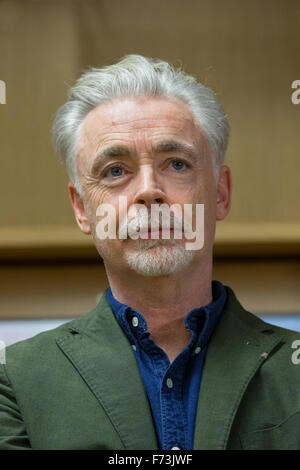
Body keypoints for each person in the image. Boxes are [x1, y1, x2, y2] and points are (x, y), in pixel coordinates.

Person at [1, 55, 300, 451]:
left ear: (220, 193)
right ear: (81, 209)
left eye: (176, 164)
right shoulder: (16, 381)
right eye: (114, 170)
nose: (148, 190)